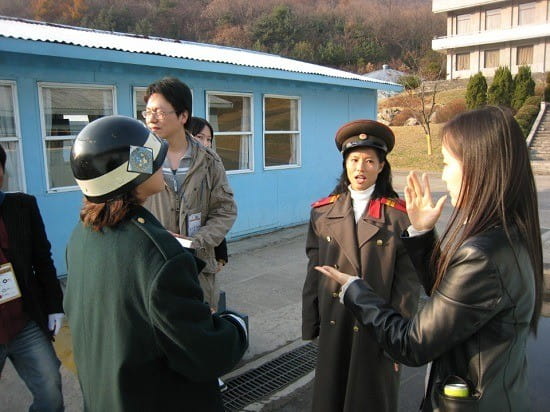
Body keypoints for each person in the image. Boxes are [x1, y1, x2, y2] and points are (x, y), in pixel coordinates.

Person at [316, 106, 543, 411]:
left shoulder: (483, 253)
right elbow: (456, 299)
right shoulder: (508, 234)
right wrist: (422, 234)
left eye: (447, 163)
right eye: (354, 160)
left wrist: (354, 289)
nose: (444, 175)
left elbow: (412, 344)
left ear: (478, 166)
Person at [64, 115, 248, 411]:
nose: (161, 164)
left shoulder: (82, 235)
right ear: (133, 174)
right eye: (153, 159)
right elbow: (205, 353)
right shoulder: (160, 256)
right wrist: (233, 325)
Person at [302, 120, 420, 412]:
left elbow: (407, 284)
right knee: (331, 396)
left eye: (369, 161)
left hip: (377, 325)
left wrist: (399, 336)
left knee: (369, 398)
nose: (360, 168)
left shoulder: (399, 217)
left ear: (381, 166)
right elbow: (313, 269)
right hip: (335, 320)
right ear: (345, 164)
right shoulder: (323, 212)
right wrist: (311, 322)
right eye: (354, 159)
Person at [142, 77, 236, 312]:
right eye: (148, 112)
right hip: (151, 267)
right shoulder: (141, 156)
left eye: (160, 112)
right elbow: (125, 207)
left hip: (197, 269)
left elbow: (225, 210)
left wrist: (197, 241)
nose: (152, 119)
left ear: (183, 116)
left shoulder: (208, 160)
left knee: (196, 334)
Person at [0, 144, 64, 411]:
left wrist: (54, 307)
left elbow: (43, 259)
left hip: (23, 321)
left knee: (50, 388)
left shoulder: (21, 206)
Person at [188, 116, 228, 273]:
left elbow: (218, 212)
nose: (205, 144)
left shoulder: (212, 166)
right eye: (199, 137)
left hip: (203, 248)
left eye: (209, 139)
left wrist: (221, 255)